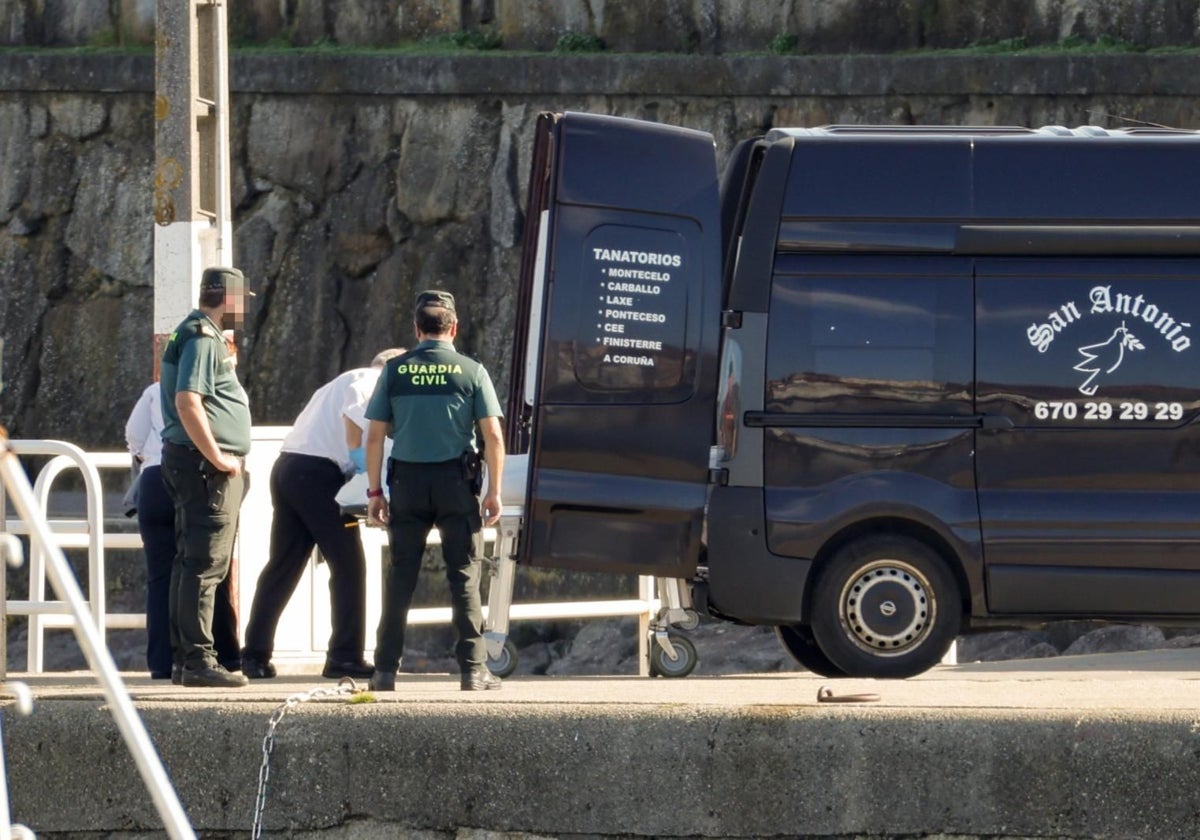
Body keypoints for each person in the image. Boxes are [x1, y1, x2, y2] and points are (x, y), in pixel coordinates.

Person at [365, 290, 505, 692]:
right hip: (456, 483)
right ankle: (474, 671)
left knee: (400, 578)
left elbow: (374, 437)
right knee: (463, 576)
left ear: (417, 329)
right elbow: (492, 434)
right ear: (454, 327)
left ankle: (385, 671)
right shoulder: (471, 371)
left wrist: (375, 493)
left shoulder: (395, 371)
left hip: (407, 483)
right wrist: (494, 490)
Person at [240, 347, 406, 680]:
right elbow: (354, 433)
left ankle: (254, 654)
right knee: (349, 565)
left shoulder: (336, 383)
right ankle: (344, 656)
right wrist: (370, 482)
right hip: (319, 476)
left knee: (283, 566)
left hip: (289, 467)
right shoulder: (370, 380)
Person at [159, 266, 252, 688]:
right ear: (229, 299)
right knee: (205, 563)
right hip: (204, 468)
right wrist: (218, 457)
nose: (245, 309)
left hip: (190, 464)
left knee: (189, 560)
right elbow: (187, 401)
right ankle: (198, 660)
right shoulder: (202, 336)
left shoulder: (190, 332)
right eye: (242, 301)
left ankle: (185, 658)